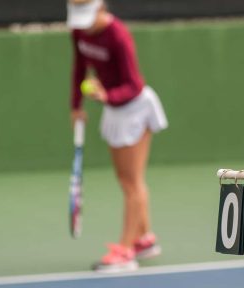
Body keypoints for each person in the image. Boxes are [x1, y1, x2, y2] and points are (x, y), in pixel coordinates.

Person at [67, 0, 167, 273]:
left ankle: (125, 251)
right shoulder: (79, 31)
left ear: (101, 9)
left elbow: (134, 84)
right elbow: (79, 67)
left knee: (133, 183)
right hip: (114, 110)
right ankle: (144, 240)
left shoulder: (118, 36)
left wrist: (106, 95)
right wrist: (75, 106)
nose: (84, 25)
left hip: (136, 108)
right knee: (125, 180)